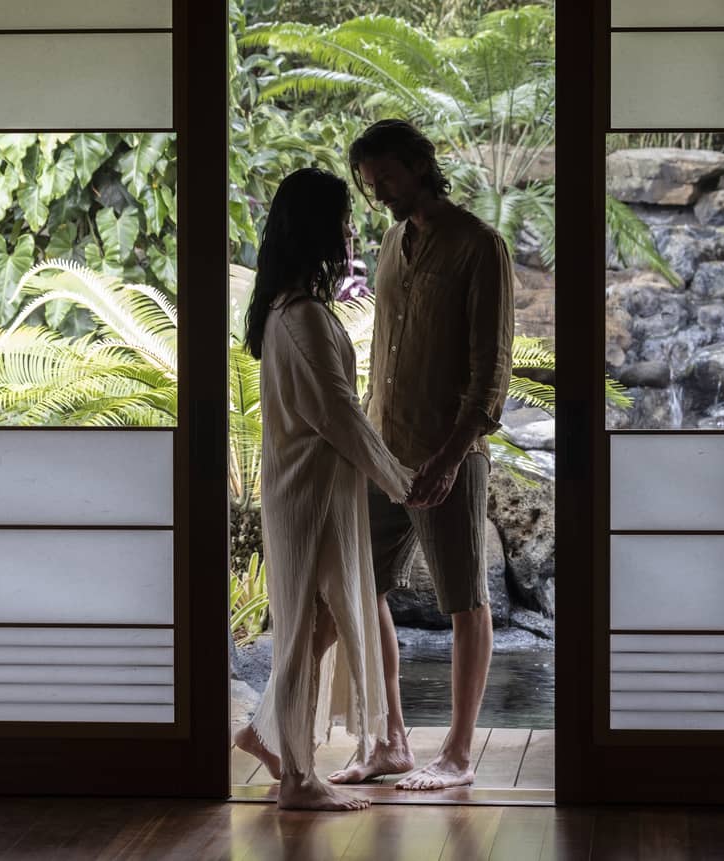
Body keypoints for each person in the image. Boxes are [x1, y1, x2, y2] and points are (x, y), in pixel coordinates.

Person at [327, 119, 515, 791]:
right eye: (369, 183)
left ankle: (458, 754)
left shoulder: (479, 246)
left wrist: (451, 456)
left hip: (447, 454)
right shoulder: (390, 243)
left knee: (464, 598)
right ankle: (393, 741)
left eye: (387, 178)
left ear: (419, 165)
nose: (378, 193)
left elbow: (492, 371)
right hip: (382, 449)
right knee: (361, 585)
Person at [231, 168, 417, 811]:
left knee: (323, 622)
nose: (349, 232)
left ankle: (267, 736)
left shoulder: (288, 310)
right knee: (310, 626)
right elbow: (339, 416)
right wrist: (401, 481)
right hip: (309, 493)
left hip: (315, 488)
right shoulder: (302, 317)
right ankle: (297, 779)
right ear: (316, 229)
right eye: (341, 220)